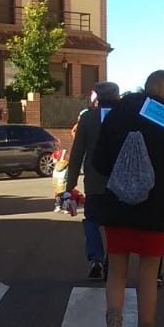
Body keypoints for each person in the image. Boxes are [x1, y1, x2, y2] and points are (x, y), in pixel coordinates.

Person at [88, 70, 164, 327]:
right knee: (148, 277)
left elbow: (99, 161)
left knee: (116, 272)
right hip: (155, 210)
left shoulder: (117, 112)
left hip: (117, 204)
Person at [63, 81, 123, 280]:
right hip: (120, 181)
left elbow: (77, 152)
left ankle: (95, 258)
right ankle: (112, 261)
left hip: (95, 180)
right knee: (115, 223)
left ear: (97, 98)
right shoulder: (124, 117)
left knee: (92, 220)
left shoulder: (88, 118)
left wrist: (69, 185)